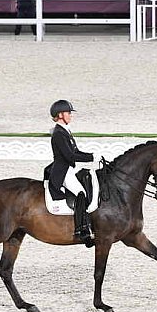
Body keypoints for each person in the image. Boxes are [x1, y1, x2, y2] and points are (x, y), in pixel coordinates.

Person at [44, 100, 95, 247]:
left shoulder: (65, 130)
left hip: (70, 169)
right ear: (60, 115)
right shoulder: (59, 134)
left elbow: (76, 152)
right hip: (63, 171)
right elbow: (70, 157)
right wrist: (91, 158)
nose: (70, 115)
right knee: (81, 193)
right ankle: (82, 230)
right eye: (68, 113)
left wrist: (92, 155)